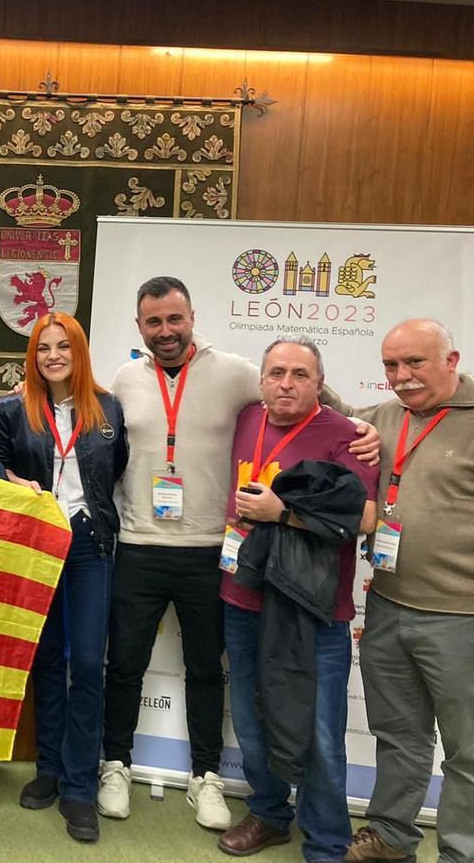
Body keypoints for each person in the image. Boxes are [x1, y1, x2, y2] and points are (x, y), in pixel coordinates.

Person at [96, 276, 378, 831]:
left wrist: (357, 422)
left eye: (175, 318)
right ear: (139, 327)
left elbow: (299, 391)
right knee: (125, 665)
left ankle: (206, 776)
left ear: (192, 316)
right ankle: (116, 764)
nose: (166, 330)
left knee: (207, 670)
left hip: (211, 553)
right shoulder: (126, 378)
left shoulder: (236, 373)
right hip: (139, 546)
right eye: (154, 322)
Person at [215, 336, 377, 861]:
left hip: (313, 609)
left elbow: (365, 519)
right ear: (261, 379)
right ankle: (268, 813)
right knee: (250, 714)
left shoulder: (347, 436)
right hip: (242, 595)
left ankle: (329, 839)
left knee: (321, 732)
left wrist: (281, 513)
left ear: (319, 382)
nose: (286, 383)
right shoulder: (246, 418)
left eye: (300, 375)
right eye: (277, 373)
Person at [322, 320, 474, 863]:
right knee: (398, 734)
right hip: (387, 604)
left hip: (461, 617)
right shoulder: (384, 419)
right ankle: (390, 836)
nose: (402, 377)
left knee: (467, 752)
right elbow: (331, 419)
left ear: (451, 360)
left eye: (415, 363)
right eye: (391, 365)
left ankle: (461, 852)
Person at [0, 312, 127, 843]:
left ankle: (79, 787)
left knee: (88, 663)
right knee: (45, 658)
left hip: (90, 544)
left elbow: (114, 468)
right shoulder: (10, 410)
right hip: (36, 544)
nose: (52, 356)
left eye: (62, 347)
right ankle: (48, 768)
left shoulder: (108, 408)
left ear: (78, 351)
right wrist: (9, 477)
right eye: (43, 348)